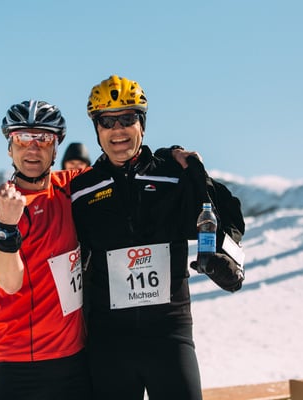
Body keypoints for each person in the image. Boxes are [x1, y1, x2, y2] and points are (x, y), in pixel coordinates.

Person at [70, 75, 246, 400]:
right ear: (97, 129)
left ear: (142, 123)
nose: (118, 129)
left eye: (128, 118)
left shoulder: (174, 174)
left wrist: (229, 262)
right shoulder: (81, 191)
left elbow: (224, 213)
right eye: (107, 121)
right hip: (109, 340)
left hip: (169, 334)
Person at [0, 100, 92, 399]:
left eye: (43, 138)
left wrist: (168, 156)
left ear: (56, 149)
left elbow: (120, 168)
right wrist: (7, 225)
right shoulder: (1, 208)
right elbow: (10, 283)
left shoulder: (71, 186)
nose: (32, 147)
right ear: (10, 147)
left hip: (72, 357)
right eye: (22, 138)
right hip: (17, 358)